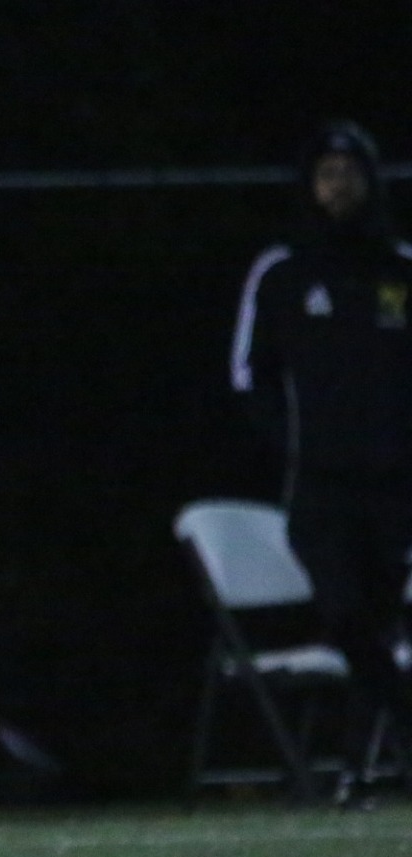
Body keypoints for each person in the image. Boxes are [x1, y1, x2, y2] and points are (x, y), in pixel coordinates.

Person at [231, 120, 412, 805]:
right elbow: (248, 377)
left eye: (351, 173)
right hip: (321, 489)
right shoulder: (282, 272)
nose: (339, 186)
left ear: (371, 181)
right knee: (343, 614)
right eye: (327, 174)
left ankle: (353, 772)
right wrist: (297, 443)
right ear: (310, 186)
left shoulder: (400, 269)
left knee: (379, 622)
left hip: (396, 488)